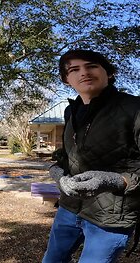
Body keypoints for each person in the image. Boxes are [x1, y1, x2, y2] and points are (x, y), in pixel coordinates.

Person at [43, 49, 140, 262]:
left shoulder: (135, 108)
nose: (84, 73)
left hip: (111, 218)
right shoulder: (71, 112)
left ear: (108, 72)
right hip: (68, 208)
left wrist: (116, 180)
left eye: (92, 66)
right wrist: (57, 171)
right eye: (74, 70)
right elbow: (67, 156)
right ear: (66, 79)